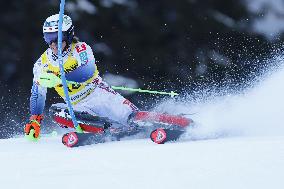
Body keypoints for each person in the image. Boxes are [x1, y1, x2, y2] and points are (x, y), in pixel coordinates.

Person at [24, 14, 139, 139]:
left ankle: (151, 122)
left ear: (68, 35)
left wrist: (59, 77)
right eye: (49, 38)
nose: (53, 43)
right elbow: (38, 93)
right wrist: (35, 119)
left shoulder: (81, 49)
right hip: (78, 106)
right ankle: (107, 128)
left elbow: (87, 72)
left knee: (132, 116)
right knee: (56, 112)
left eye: (58, 38)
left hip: (100, 95)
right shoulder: (42, 63)